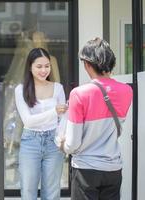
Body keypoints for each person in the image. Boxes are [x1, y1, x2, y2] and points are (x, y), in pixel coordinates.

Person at [57, 37, 133, 200]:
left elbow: (72, 144)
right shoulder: (127, 91)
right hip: (113, 168)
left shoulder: (79, 94)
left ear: (87, 64)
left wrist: (61, 144)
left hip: (86, 170)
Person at [15, 47, 68, 200]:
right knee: (28, 191)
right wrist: (54, 111)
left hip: (53, 142)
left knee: (52, 192)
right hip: (30, 142)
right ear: (30, 67)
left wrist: (62, 138)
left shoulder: (58, 88)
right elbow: (28, 121)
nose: (44, 70)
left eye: (47, 66)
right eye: (39, 66)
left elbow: (63, 119)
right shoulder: (21, 89)